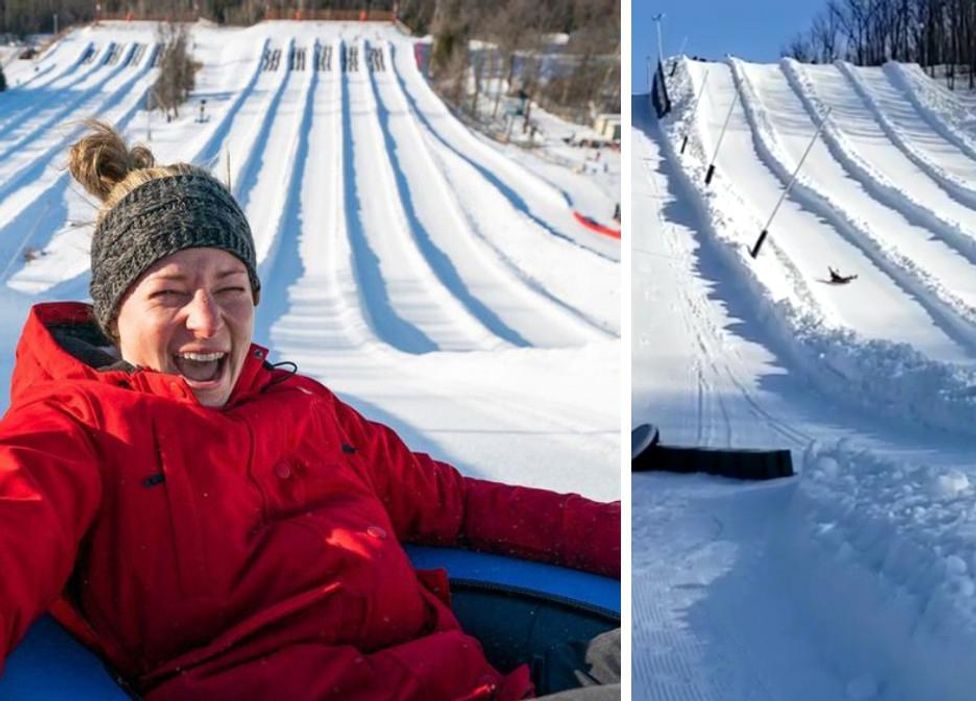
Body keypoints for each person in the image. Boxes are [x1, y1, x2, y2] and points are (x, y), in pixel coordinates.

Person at [0, 121, 620, 700]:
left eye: (230, 289)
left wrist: (630, 536)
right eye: (168, 292)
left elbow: (454, 505)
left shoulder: (303, 407)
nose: (207, 320)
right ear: (114, 317)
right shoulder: (77, 428)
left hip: (470, 682)